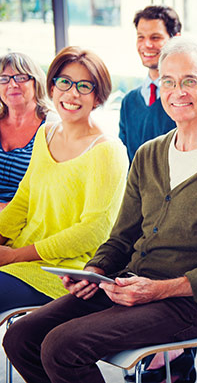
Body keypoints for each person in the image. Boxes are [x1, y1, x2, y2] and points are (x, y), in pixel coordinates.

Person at [3, 38, 197, 383]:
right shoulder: (149, 154)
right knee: (21, 337)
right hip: (127, 286)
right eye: (168, 81)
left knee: (61, 347)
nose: (177, 91)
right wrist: (94, 270)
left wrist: (159, 289)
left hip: (192, 304)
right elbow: (121, 237)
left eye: (190, 81)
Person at [0, 46, 128, 313]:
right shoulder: (46, 133)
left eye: (84, 86)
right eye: (64, 82)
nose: (72, 93)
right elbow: (23, 199)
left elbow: (93, 230)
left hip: (63, 273)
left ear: (98, 96)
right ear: (53, 86)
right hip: (19, 257)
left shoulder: (107, 150)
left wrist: (13, 255)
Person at [119, 5, 197, 162]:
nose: (147, 45)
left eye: (155, 37)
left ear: (176, 39)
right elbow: (126, 162)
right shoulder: (129, 102)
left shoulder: (189, 100)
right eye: (141, 37)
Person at [0, 52, 53, 210]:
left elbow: (51, 192)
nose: (12, 85)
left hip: (27, 216)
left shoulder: (52, 126)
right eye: (4, 79)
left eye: (20, 77)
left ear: (36, 82)